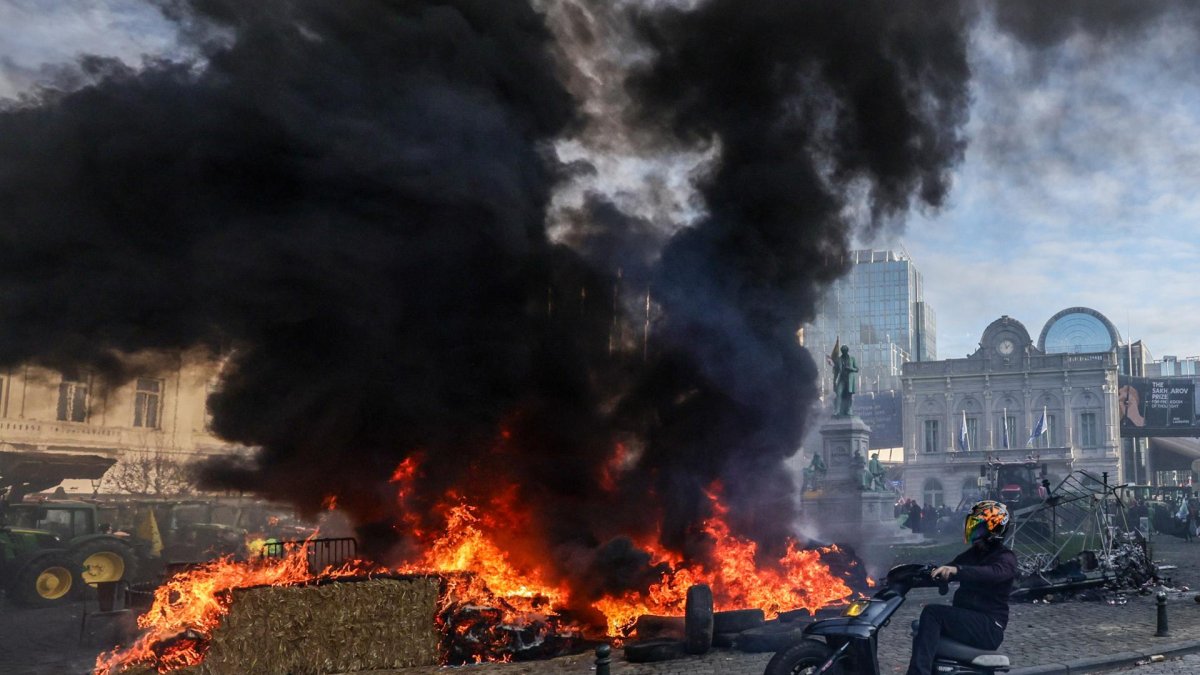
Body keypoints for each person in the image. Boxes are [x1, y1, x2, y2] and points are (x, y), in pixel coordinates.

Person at [907, 500, 1017, 675]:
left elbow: (992, 573)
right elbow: (948, 568)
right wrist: (912, 577)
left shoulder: (1005, 558)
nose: (974, 531)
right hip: (971, 618)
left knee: (932, 613)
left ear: (993, 529)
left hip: (989, 626)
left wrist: (958, 570)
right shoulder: (973, 555)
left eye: (978, 527)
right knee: (920, 626)